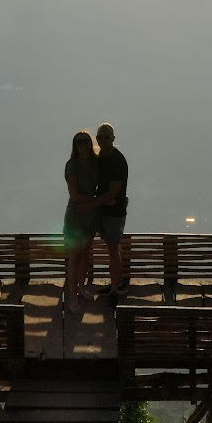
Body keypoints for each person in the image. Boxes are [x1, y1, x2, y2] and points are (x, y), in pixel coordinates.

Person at [62, 129, 101, 314]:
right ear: (75, 146)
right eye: (79, 142)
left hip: (90, 215)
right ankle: (71, 297)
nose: (83, 145)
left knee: (86, 253)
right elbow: (74, 196)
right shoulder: (72, 166)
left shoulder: (96, 163)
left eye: (86, 141)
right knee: (74, 255)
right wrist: (96, 199)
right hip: (76, 215)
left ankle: (81, 288)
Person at [94, 122, 130, 302]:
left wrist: (90, 203)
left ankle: (115, 290)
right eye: (99, 137)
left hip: (114, 212)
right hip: (106, 210)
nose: (102, 140)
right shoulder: (101, 156)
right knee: (114, 247)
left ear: (113, 139)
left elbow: (113, 193)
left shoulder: (117, 160)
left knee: (113, 248)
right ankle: (119, 282)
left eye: (106, 137)